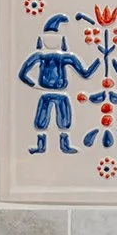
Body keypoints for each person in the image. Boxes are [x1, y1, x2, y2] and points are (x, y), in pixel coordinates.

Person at [18, 13, 97, 154]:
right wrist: (33, 84)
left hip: (60, 93)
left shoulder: (64, 57)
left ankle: (64, 145)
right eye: (48, 38)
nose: (51, 41)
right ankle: (41, 146)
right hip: (46, 93)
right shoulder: (40, 56)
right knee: (42, 120)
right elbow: (23, 73)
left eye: (54, 38)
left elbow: (84, 73)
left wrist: (96, 62)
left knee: (64, 119)